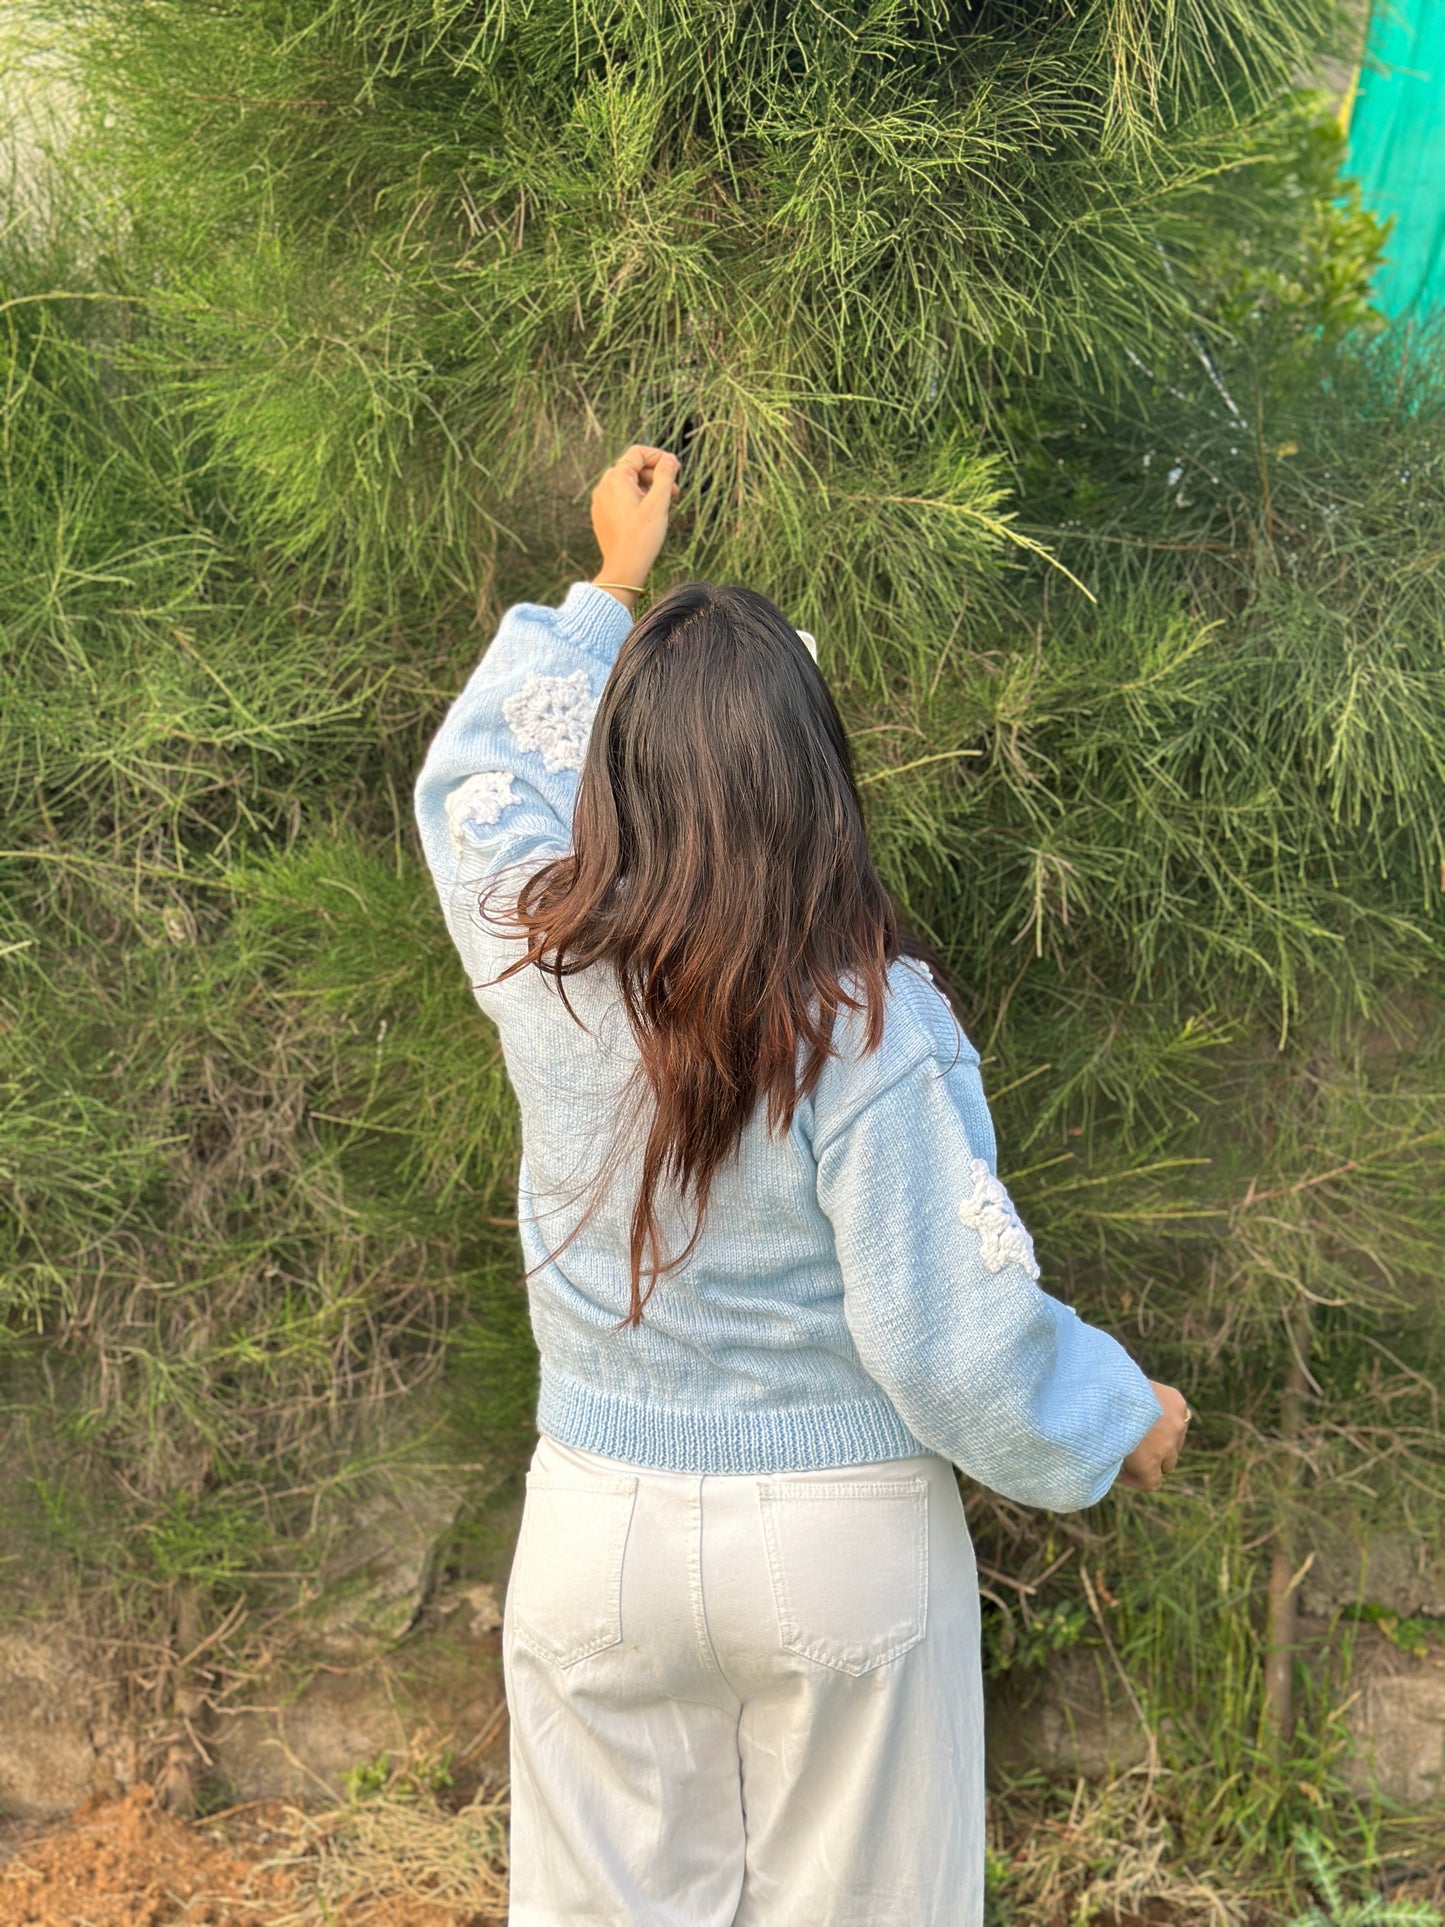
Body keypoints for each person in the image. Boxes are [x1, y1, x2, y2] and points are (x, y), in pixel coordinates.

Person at [413, 444, 1191, 1926]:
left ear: (612, 775)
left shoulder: (544, 961)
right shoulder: (868, 1019)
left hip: (597, 1530)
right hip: (836, 1543)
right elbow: (949, 1338)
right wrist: (1111, 1424)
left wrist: (605, 589)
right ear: (815, 779)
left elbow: (472, 781)